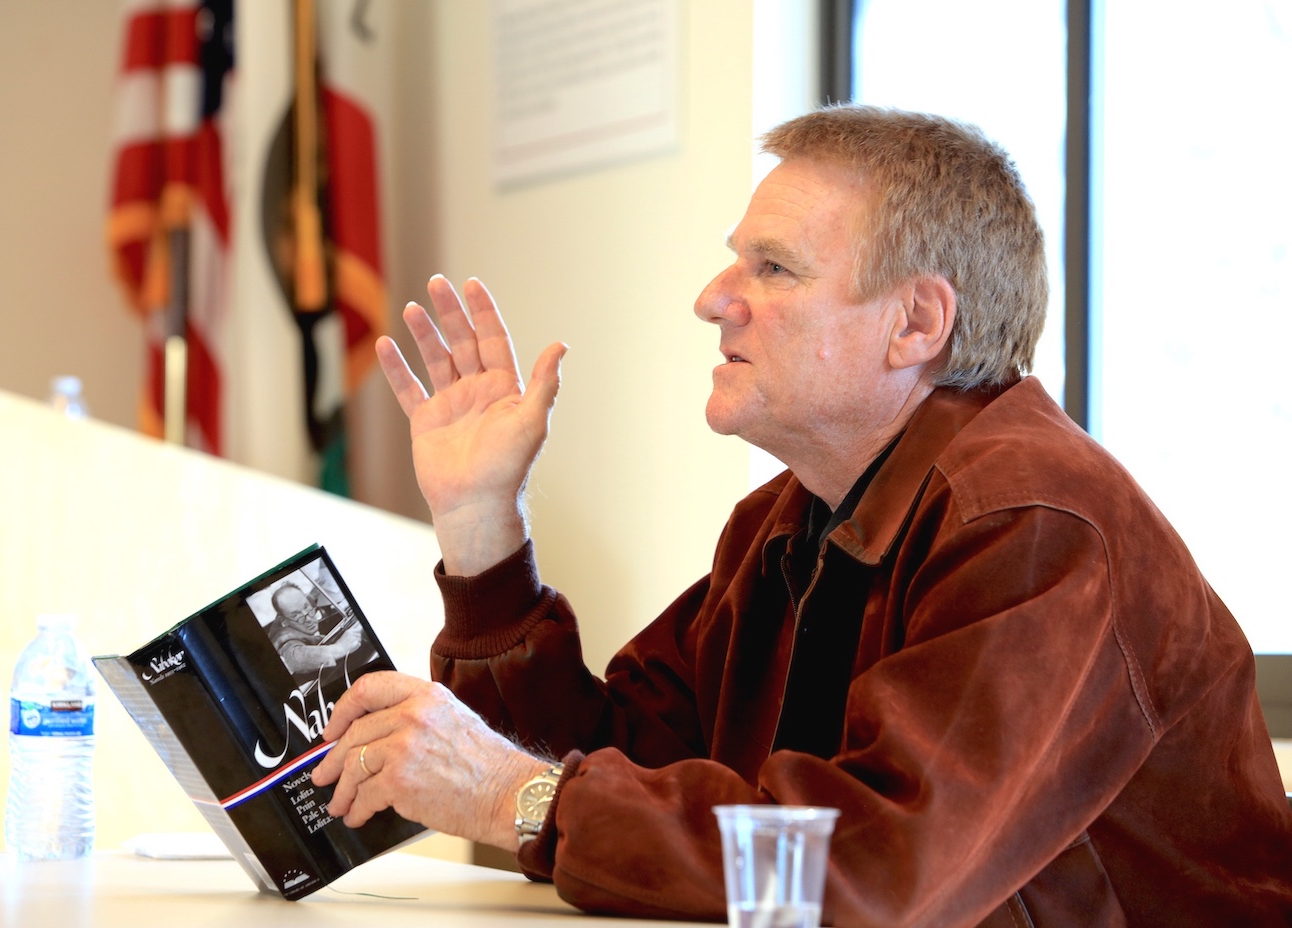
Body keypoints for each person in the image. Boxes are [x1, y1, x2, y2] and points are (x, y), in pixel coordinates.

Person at [311, 105, 1292, 926]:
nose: (711, 300)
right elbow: (608, 769)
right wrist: (483, 523)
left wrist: (513, 793)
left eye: (772, 269)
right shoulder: (782, 525)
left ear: (915, 324)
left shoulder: (1038, 524)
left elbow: (877, 869)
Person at [265, 583, 363, 679]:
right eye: (296, 615)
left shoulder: (301, 604)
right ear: (284, 621)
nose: (308, 619)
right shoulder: (283, 638)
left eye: (306, 607)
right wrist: (340, 648)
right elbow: (295, 659)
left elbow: (311, 598)